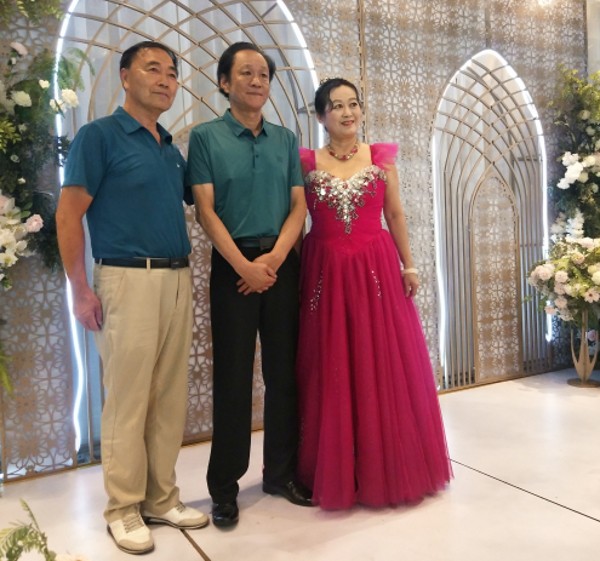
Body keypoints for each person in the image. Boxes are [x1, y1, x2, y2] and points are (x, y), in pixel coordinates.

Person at [55, 41, 208, 555]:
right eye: (152, 69)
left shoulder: (168, 147)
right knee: (127, 399)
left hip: (177, 277)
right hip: (125, 279)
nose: (165, 80)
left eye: (172, 73)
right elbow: (68, 215)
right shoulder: (98, 136)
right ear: (125, 77)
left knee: (168, 396)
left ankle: (161, 498)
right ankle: (122, 508)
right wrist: (80, 289)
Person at [296, 78, 452, 510]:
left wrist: (409, 264)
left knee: (379, 361)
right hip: (326, 270)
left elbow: (395, 214)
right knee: (331, 362)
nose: (347, 112)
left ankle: (386, 465)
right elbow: (295, 218)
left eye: (353, 104)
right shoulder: (306, 162)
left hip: (375, 269)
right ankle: (336, 468)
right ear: (321, 116)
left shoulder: (380, 158)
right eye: (337, 106)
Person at [185, 41, 311, 528]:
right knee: (233, 379)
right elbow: (205, 210)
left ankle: (281, 474)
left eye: (263, 74)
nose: (257, 81)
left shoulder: (285, 139)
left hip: (280, 265)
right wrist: (243, 266)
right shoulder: (206, 137)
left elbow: (298, 206)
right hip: (232, 265)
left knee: (284, 376)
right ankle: (224, 488)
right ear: (224, 82)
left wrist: (273, 260)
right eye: (246, 73)